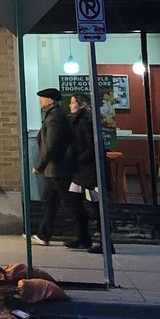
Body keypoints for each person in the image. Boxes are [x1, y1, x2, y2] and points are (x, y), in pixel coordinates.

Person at [32, 87, 76, 247]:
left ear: (50, 101)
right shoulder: (52, 116)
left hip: (57, 168)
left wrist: (40, 165)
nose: (40, 102)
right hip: (54, 169)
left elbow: (52, 145)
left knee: (69, 202)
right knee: (50, 201)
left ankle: (83, 234)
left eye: (42, 98)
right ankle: (44, 234)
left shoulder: (55, 118)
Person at [66, 92, 97, 252]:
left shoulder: (84, 121)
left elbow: (91, 146)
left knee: (94, 204)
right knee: (74, 200)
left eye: (72, 103)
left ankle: (101, 240)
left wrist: (78, 159)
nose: (70, 106)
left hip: (88, 170)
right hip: (80, 171)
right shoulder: (78, 121)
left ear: (81, 105)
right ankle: (83, 237)